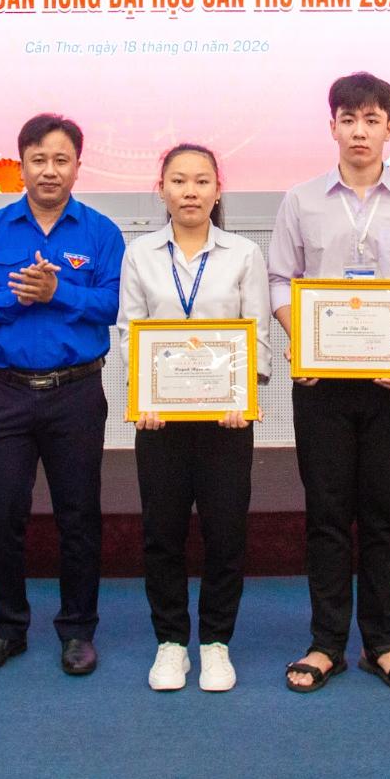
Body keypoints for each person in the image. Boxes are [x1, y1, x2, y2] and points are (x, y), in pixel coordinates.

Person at [268, 71, 390, 694]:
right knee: (325, 514)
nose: (359, 131)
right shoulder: (300, 201)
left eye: (372, 120)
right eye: (348, 120)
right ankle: (326, 643)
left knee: (382, 514)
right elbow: (280, 281)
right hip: (321, 384)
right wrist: (305, 339)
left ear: (389, 128)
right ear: (332, 127)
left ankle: (382, 642)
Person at [0, 114, 124, 677]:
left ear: (77, 165)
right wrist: (18, 296)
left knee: (79, 515)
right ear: (22, 164)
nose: (49, 170)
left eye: (60, 160)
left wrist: (59, 291)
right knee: (0, 512)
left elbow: (114, 305)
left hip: (77, 393)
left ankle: (78, 631)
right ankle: (7, 629)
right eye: (38, 160)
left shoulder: (101, 232)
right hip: (8, 394)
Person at [119, 143, 267, 693]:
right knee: (163, 534)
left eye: (202, 181)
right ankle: (172, 643)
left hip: (226, 422)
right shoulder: (140, 254)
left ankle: (216, 643)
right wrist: (143, 397)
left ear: (218, 190)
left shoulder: (244, 254)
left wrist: (243, 397)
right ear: (160, 189)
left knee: (226, 533)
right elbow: (130, 331)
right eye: (178, 181)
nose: (190, 191)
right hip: (160, 422)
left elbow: (256, 331)